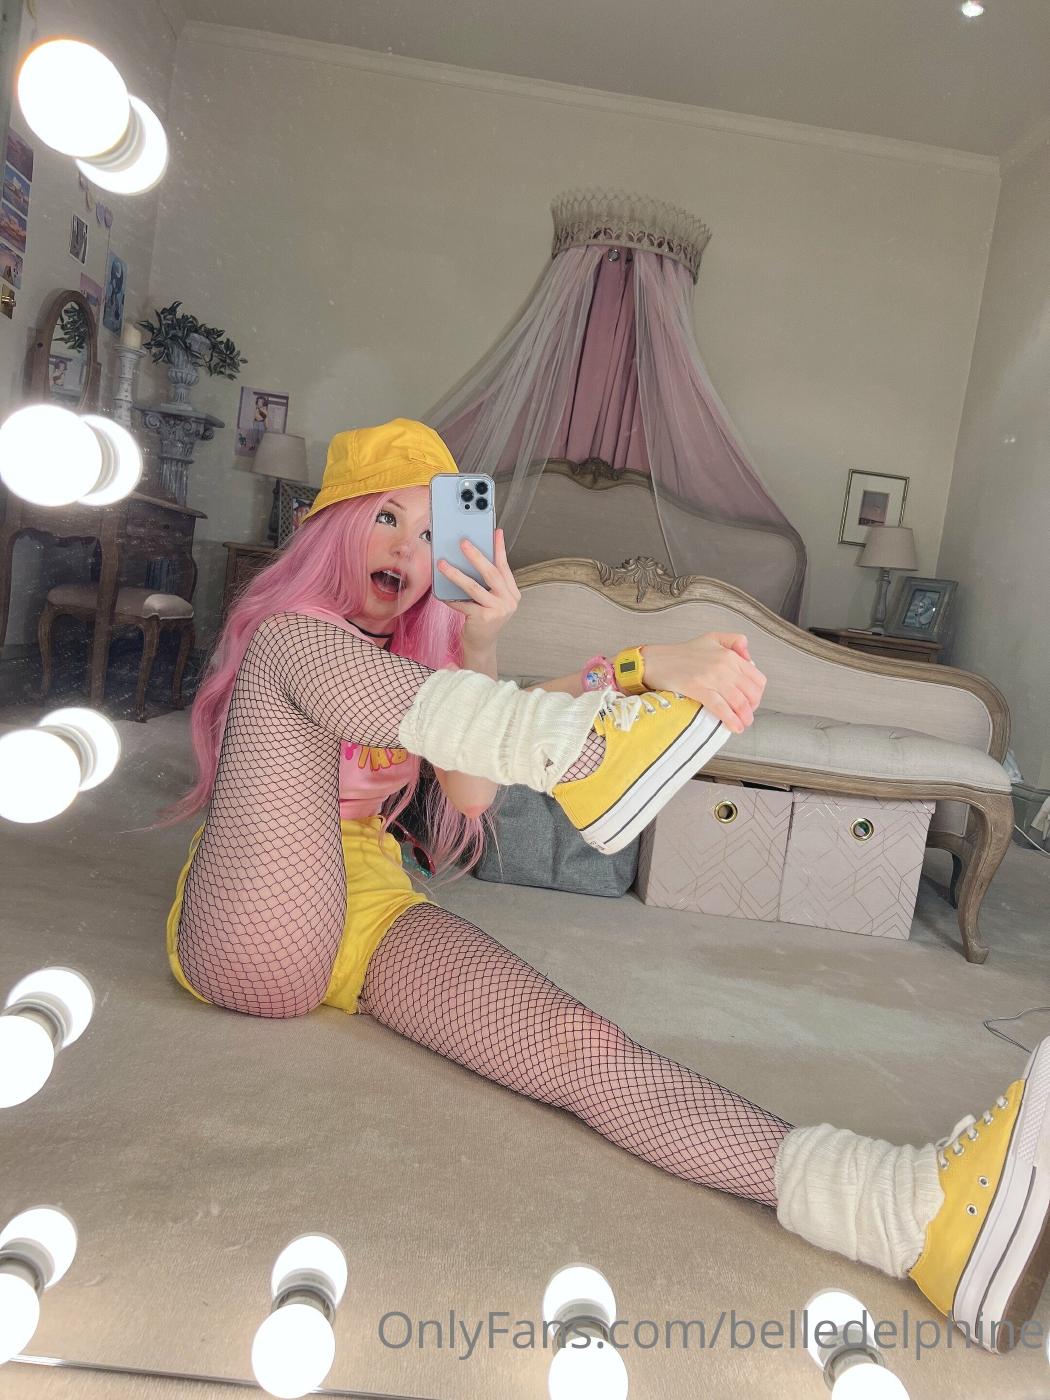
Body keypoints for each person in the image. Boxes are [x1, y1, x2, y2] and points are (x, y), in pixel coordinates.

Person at [161, 418, 1049, 1356]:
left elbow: (469, 792)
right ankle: (586, 750)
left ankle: (900, 1214)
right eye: (385, 518)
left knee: (577, 1041)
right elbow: (419, 706)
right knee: (291, 646)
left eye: (431, 532)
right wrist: (594, 707)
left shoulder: (425, 672)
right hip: (258, 917)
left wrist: (526, 645)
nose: (407, 549)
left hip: (370, 901)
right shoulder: (286, 638)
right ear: (335, 527)